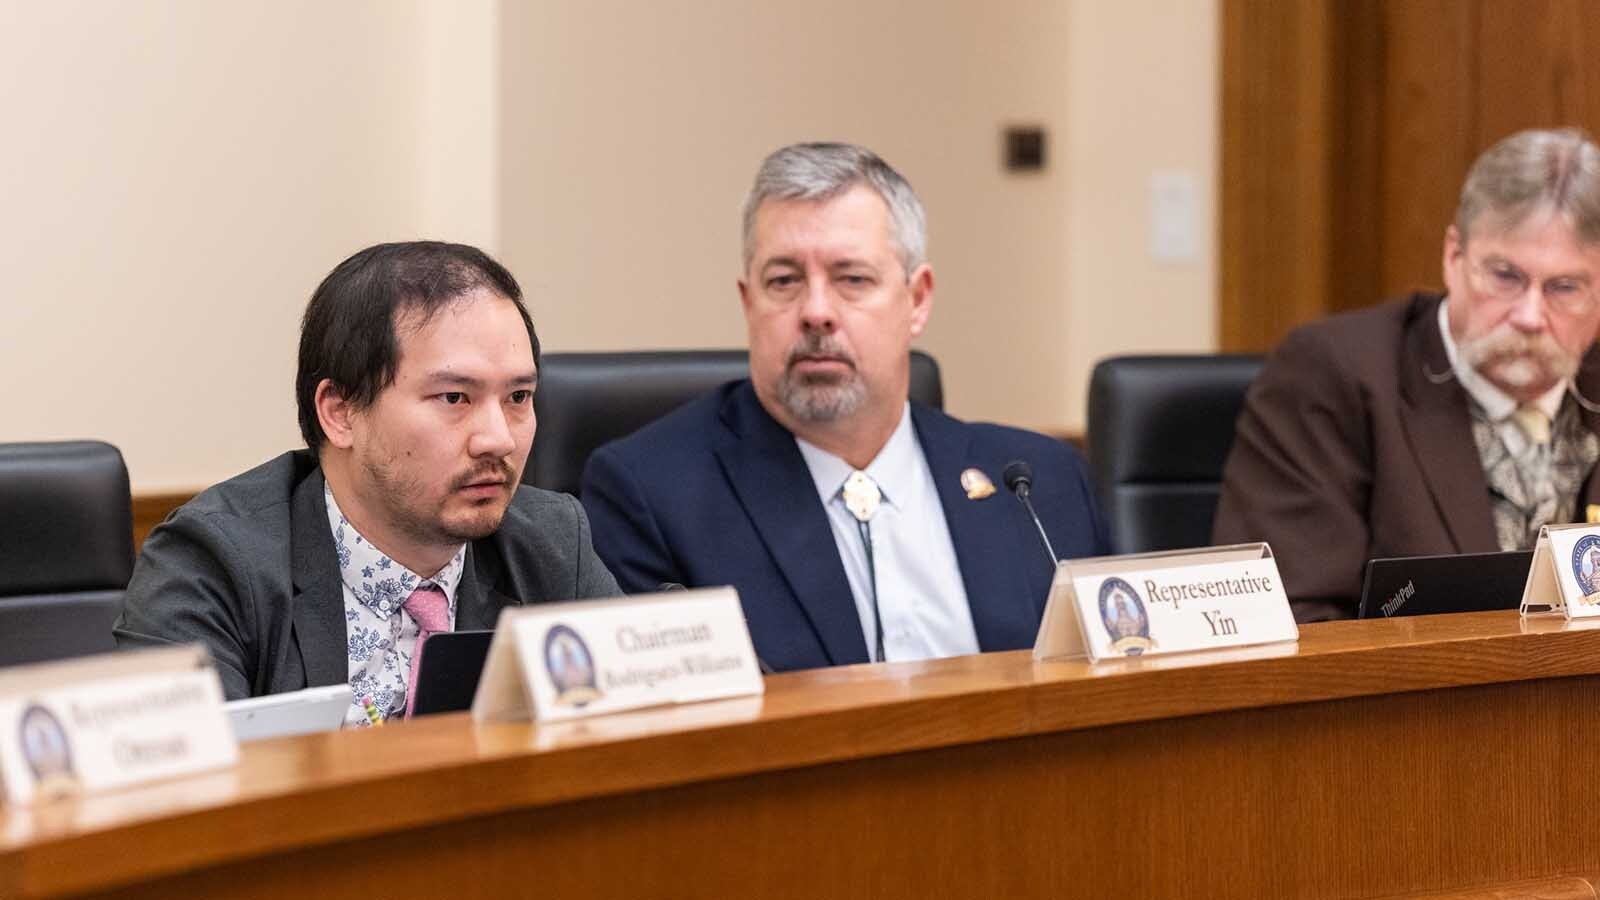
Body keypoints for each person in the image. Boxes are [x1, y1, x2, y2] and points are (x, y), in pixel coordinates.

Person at [581, 142, 1109, 672]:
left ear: (917, 300)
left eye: (852, 279)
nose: (815, 312)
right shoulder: (652, 494)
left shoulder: (1041, 484)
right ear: (749, 302)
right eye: (784, 281)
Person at [116, 242, 620, 724]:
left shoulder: (550, 542)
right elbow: (195, 794)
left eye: (518, 397)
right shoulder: (213, 563)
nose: (497, 440)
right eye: (453, 398)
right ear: (340, 412)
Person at [1214, 128, 1600, 620]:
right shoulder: (1336, 376)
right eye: (1505, 276)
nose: (1529, 315)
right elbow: (1288, 620)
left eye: (1564, 288)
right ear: (1453, 257)